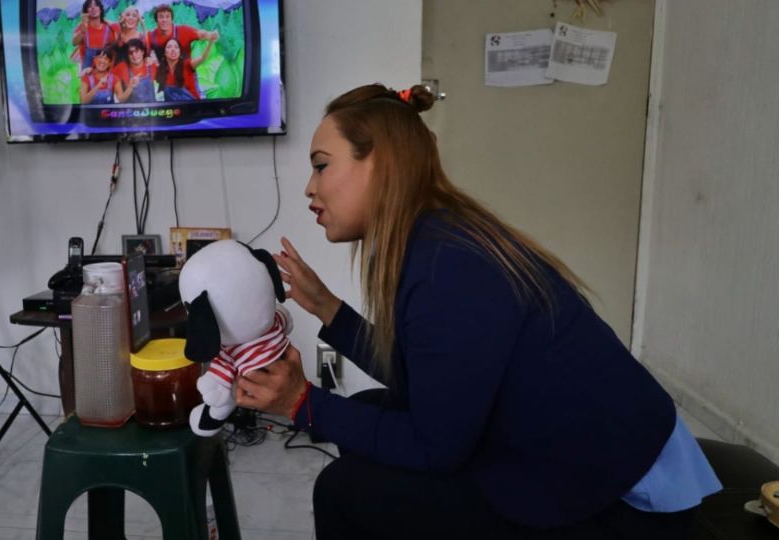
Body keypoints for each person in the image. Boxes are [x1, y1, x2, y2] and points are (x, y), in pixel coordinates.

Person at [234, 83, 723, 539]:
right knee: (363, 415)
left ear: (379, 165)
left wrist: (301, 403)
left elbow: (434, 446)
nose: (308, 188)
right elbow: (427, 381)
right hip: (569, 454)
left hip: (622, 494)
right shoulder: (433, 238)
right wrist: (328, 309)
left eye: (321, 165)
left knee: (340, 490)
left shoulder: (448, 266)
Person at [146, 3, 218, 61]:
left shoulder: (183, 31)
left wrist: (211, 35)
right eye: (161, 17)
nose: (164, 20)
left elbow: (201, 34)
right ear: (156, 20)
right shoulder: (150, 37)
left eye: (167, 17)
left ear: (172, 19)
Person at [154, 36, 214, 101]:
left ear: (180, 52)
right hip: (172, 109)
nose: (173, 49)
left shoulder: (187, 65)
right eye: (169, 47)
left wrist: (211, 42)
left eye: (176, 47)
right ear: (164, 52)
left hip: (192, 107)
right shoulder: (162, 69)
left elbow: (202, 58)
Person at [72, 0, 118, 74]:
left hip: (105, 67)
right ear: (86, 12)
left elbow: (115, 48)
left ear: (100, 9)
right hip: (87, 67)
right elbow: (74, 43)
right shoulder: (82, 26)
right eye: (90, 6)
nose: (93, 8)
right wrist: (82, 32)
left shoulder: (109, 28)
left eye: (96, 5)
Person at [114, 38, 157, 104]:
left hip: (151, 111)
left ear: (142, 52)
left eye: (137, 51)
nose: (134, 55)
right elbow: (121, 100)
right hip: (130, 112)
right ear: (127, 55)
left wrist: (156, 61)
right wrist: (130, 87)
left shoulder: (152, 66)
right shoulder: (121, 67)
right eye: (130, 53)